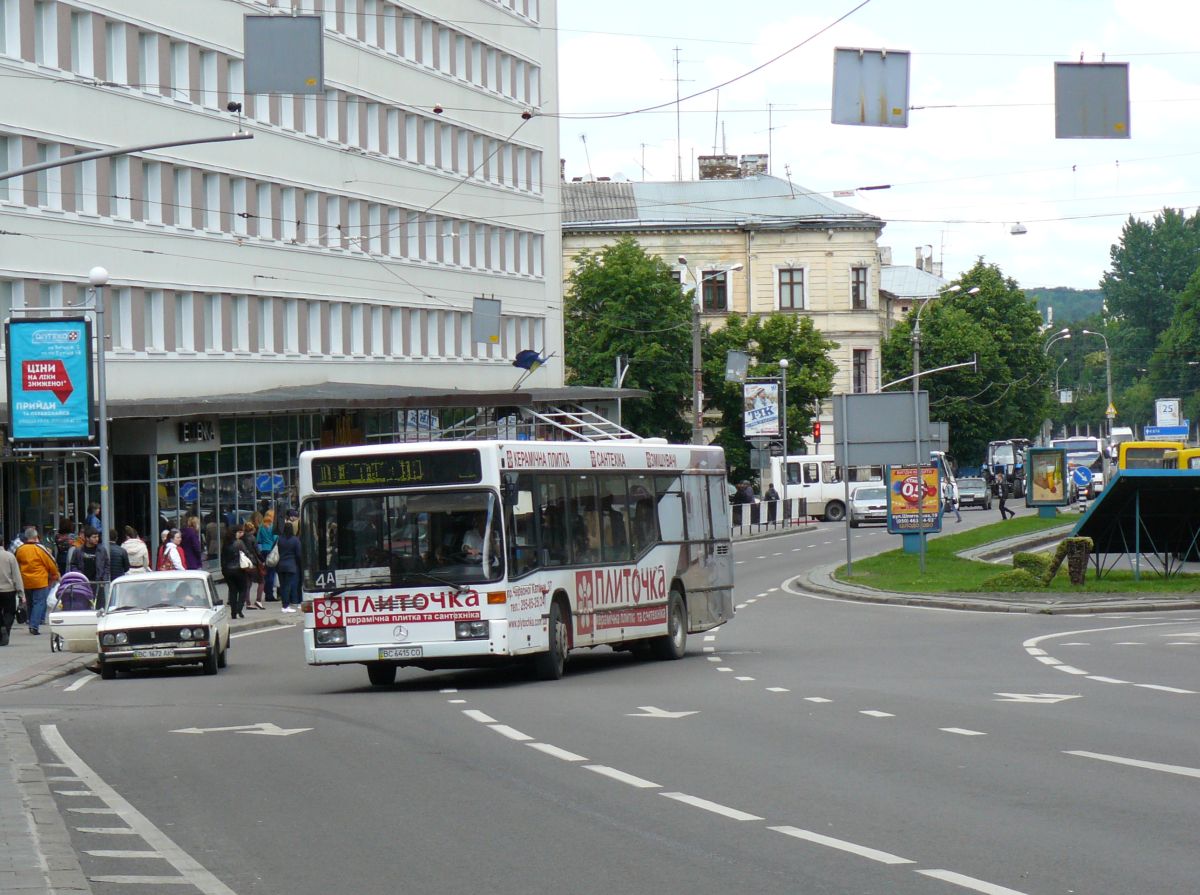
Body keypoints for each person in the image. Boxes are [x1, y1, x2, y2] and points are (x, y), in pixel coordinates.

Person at [15, 527, 60, 636]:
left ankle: (31, 621)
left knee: (30, 603)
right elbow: (51, 563)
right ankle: (34, 626)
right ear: (36, 537)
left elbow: (16, 564)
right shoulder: (40, 549)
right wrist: (55, 574)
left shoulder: (20, 550)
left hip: (26, 581)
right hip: (40, 581)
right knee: (39, 603)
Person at [221, 525, 251, 619]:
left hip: (227, 570)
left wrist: (224, 569)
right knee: (243, 589)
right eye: (239, 532)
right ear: (236, 533)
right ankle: (239, 608)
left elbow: (223, 557)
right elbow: (246, 553)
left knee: (233, 591)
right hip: (238, 569)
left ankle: (233, 613)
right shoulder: (239, 543)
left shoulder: (225, 543)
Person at [0, 543, 25, 646]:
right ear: (2, 543)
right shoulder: (10, 556)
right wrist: (21, 593)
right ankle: (6, 629)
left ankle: (1, 629)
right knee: (9, 612)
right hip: (9, 590)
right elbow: (16, 575)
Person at [275, 522, 302, 613]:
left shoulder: (279, 539)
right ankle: (286, 606)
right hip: (291, 565)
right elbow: (299, 554)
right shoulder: (295, 540)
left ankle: (284, 604)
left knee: (282, 586)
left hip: (280, 565)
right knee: (288, 586)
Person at [242, 520, 265, 610]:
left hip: (245, 563)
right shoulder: (252, 538)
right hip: (253, 562)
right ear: (252, 530)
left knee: (248, 583)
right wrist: (262, 560)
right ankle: (258, 600)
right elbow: (257, 551)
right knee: (261, 581)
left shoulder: (242, 538)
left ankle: (248, 602)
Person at [257, 510, 279, 603]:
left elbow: (258, 540)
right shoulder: (273, 527)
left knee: (265, 573)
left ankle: (266, 592)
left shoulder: (261, 527)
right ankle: (270, 594)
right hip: (271, 550)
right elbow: (276, 538)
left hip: (263, 551)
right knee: (271, 574)